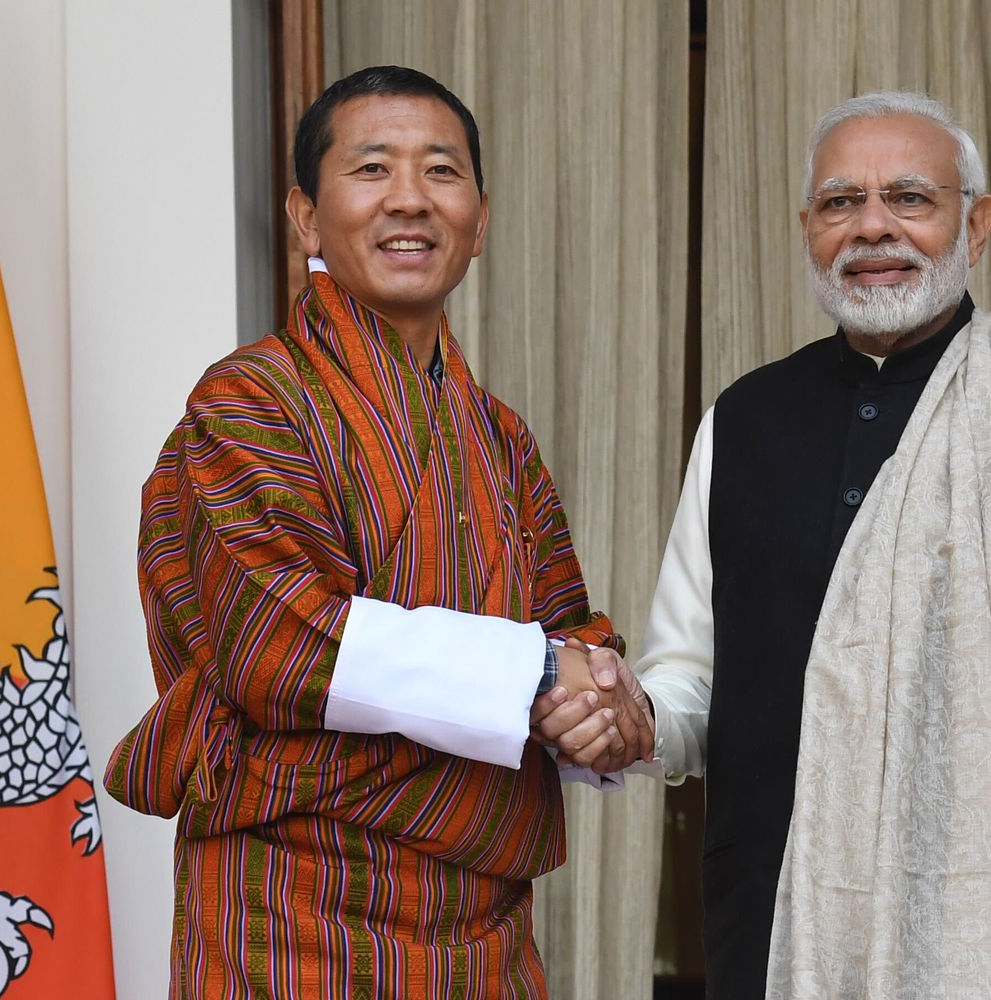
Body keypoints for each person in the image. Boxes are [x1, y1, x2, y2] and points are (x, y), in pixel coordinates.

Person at [536, 91, 991, 999]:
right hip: (776, 943)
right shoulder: (743, 423)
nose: (872, 229)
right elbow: (692, 684)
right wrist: (635, 721)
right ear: (806, 228)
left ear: (976, 224)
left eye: (909, 198)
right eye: (839, 203)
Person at [102, 65, 649, 998]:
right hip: (291, 912)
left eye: (442, 171)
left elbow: (569, 630)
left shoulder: (498, 435)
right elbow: (280, 646)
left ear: (480, 220)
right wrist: (540, 675)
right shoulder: (248, 401)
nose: (410, 198)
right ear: (307, 217)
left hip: (484, 922)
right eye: (371, 169)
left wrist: (605, 710)